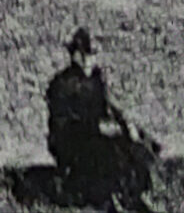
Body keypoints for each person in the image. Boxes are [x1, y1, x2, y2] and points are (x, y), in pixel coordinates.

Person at [46, 28, 160, 213]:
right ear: (74, 55)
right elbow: (61, 124)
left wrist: (125, 123)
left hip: (95, 135)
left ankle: (132, 196)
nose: (88, 61)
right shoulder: (61, 85)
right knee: (104, 152)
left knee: (133, 146)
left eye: (91, 56)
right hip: (71, 140)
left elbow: (106, 106)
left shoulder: (96, 80)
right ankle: (108, 199)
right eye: (83, 55)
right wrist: (95, 127)